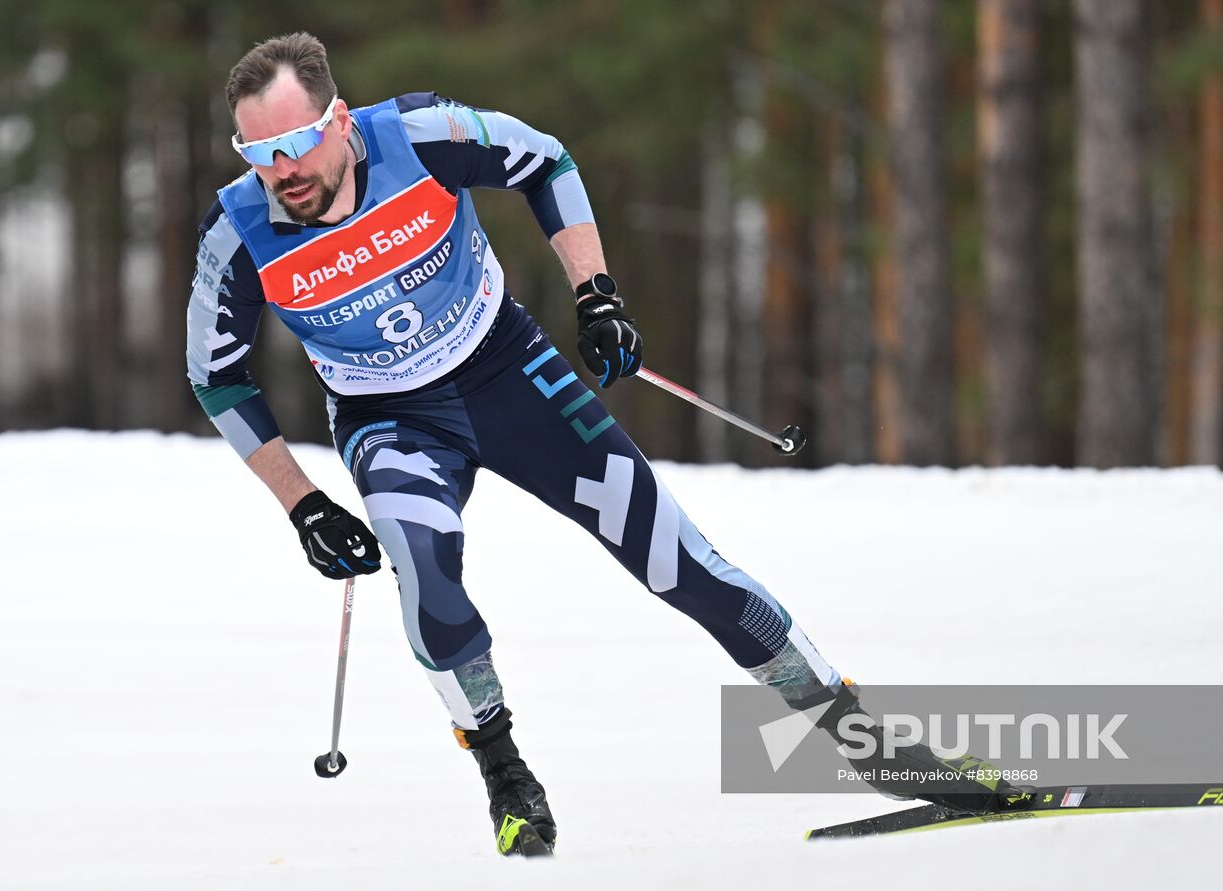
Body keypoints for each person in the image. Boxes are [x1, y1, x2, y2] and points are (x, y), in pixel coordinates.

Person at [186, 32, 1016, 857]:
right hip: (390, 419)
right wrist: (303, 506)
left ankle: (874, 748)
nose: (281, 172)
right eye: (257, 153)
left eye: (294, 145)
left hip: (507, 373)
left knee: (676, 559)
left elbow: (545, 161)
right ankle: (505, 775)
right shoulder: (238, 232)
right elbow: (217, 377)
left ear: (336, 120)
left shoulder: (419, 137)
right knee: (422, 563)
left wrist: (597, 295)